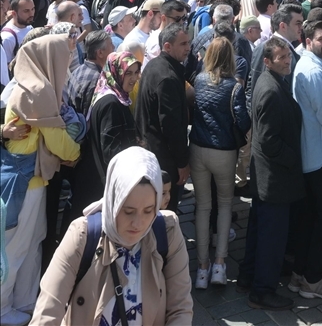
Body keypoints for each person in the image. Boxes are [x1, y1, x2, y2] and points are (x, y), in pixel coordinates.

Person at [30, 147, 193, 325]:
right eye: (128, 211)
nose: (138, 223)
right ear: (112, 202)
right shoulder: (83, 235)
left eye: (148, 210)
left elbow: (180, 308)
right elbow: (48, 309)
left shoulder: (167, 230)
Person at [1, 37, 82, 325]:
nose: (69, 61)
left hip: (34, 180)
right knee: (16, 247)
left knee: (32, 244)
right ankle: (3, 307)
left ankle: (23, 302)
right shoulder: (37, 91)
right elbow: (57, 140)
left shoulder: (34, 86)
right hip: (25, 184)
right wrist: (77, 152)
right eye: (64, 55)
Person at [238, 36, 305, 311]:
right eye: (281, 58)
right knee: (272, 238)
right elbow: (268, 140)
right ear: (267, 61)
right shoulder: (270, 90)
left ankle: (249, 276)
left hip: (270, 176)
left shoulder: (273, 82)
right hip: (274, 177)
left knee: (260, 229)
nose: (287, 61)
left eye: (288, 56)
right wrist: (294, 159)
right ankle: (262, 290)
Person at [288, 20, 322, 300]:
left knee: (312, 216)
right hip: (321, 156)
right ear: (308, 40)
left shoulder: (311, 66)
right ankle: (312, 277)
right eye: (321, 38)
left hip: (316, 154)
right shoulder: (312, 70)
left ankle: (301, 273)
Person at [190, 37, 249, 290]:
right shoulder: (234, 86)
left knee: (203, 207)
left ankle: (201, 268)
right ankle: (219, 265)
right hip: (224, 151)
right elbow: (243, 121)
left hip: (198, 148)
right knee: (224, 205)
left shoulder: (198, 81)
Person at [69, 51, 143, 221]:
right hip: (101, 182)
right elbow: (111, 151)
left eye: (136, 72)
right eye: (128, 73)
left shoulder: (111, 94)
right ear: (116, 73)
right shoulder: (111, 103)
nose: (134, 78)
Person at [134, 23, 191, 213]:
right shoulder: (167, 77)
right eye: (183, 44)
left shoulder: (155, 65)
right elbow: (171, 125)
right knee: (165, 208)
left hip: (152, 148)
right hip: (164, 157)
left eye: (188, 43)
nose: (188, 48)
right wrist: (182, 163)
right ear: (167, 46)